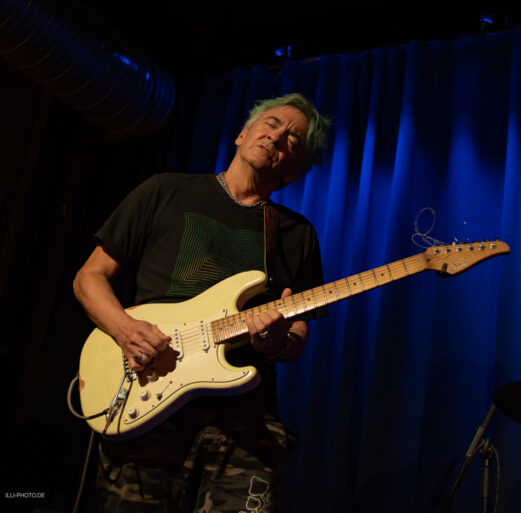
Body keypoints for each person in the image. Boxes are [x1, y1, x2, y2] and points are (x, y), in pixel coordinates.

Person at [73, 93, 330, 512]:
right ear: (242, 133)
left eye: (293, 140)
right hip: (150, 394)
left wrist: (277, 343)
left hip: (246, 418)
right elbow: (90, 277)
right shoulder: (165, 190)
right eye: (271, 123)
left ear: (294, 171)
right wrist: (125, 329)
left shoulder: (296, 234)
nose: (276, 136)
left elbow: (298, 331)